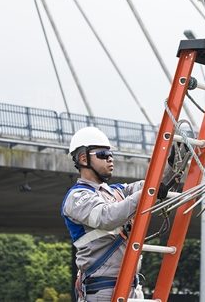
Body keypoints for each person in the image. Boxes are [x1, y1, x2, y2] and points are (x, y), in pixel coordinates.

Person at [61, 126, 146, 301]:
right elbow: (107, 217)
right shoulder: (77, 197)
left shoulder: (116, 191)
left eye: (111, 155)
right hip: (103, 289)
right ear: (83, 159)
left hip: (131, 286)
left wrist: (172, 164)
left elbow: (150, 185)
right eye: (102, 155)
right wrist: (147, 193)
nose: (110, 159)